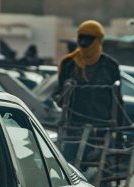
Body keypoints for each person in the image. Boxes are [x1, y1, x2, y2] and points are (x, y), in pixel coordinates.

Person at [56, 20, 125, 163]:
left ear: (99, 40)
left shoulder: (110, 66)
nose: (83, 42)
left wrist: (119, 135)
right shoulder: (69, 64)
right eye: (81, 38)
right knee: (68, 166)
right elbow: (59, 96)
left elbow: (118, 102)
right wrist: (66, 92)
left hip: (101, 131)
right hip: (74, 129)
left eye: (88, 38)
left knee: (101, 171)